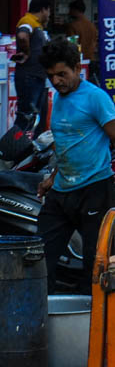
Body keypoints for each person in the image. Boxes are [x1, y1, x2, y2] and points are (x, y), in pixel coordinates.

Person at [37, 38, 115, 293]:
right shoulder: (58, 98)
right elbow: (66, 144)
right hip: (61, 191)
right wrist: (52, 177)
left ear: (76, 68)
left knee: (95, 263)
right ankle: (43, 319)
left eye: (62, 74)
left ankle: (92, 324)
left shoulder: (96, 98)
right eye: (51, 76)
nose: (57, 81)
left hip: (95, 190)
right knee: (39, 257)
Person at [15, 0, 52, 133]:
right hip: (29, 77)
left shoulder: (37, 25)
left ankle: (30, 149)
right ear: (43, 10)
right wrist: (26, 52)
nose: (49, 15)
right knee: (26, 117)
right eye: (48, 11)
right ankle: (14, 147)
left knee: (36, 119)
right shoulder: (27, 21)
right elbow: (22, 36)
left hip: (37, 77)